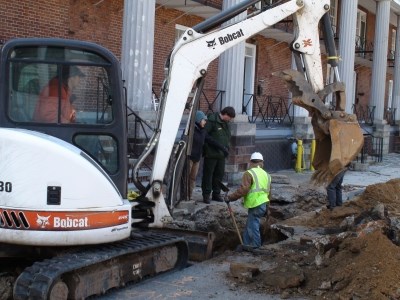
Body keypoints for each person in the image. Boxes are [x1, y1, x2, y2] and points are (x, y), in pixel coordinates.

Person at [227, 152, 271, 249]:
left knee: (253, 224)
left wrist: (230, 197)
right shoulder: (267, 175)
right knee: (250, 224)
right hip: (263, 204)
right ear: (261, 162)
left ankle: (255, 246)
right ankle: (246, 244)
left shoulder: (249, 173)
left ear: (251, 162)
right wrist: (268, 207)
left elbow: (244, 190)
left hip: (255, 203)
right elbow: (268, 193)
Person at [201, 106, 235, 203]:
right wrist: (218, 146)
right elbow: (206, 136)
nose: (230, 120)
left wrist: (226, 148)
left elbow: (227, 136)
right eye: (230, 117)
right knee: (208, 174)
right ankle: (206, 195)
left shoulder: (226, 124)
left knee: (219, 174)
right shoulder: (212, 121)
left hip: (221, 154)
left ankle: (216, 193)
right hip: (211, 153)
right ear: (225, 114)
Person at [187, 111, 208, 200]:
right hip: (189, 158)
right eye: (204, 120)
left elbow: (208, 140)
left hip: (197, 158)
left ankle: (190, 195)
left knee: (193, 178)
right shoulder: (190, 130)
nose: (205, 122)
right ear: (199, 120)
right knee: (186, 177)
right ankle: (184, 195)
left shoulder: (203, 131)